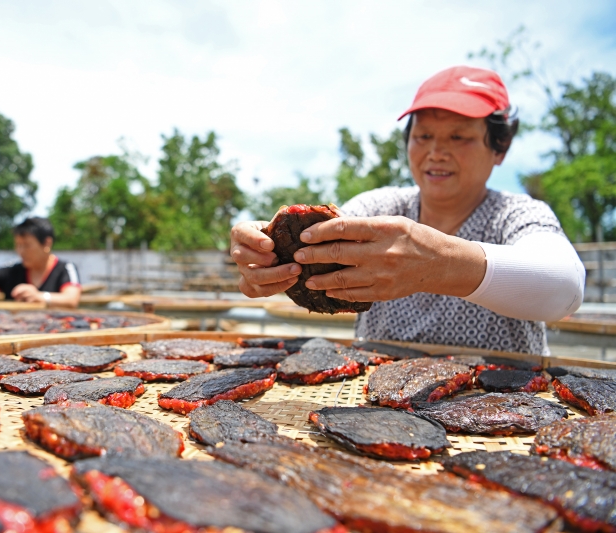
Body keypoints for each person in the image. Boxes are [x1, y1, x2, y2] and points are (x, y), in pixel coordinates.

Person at [231, 66, 585, 355]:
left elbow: (564, 287)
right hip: (374, 416)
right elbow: (321, 247)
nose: (436, 152)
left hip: (505, 412)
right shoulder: (381, 208)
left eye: (458, 137)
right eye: (424, 136)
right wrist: (266, 253)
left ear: (499, 147)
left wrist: (439, 264)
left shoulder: (515, 214)